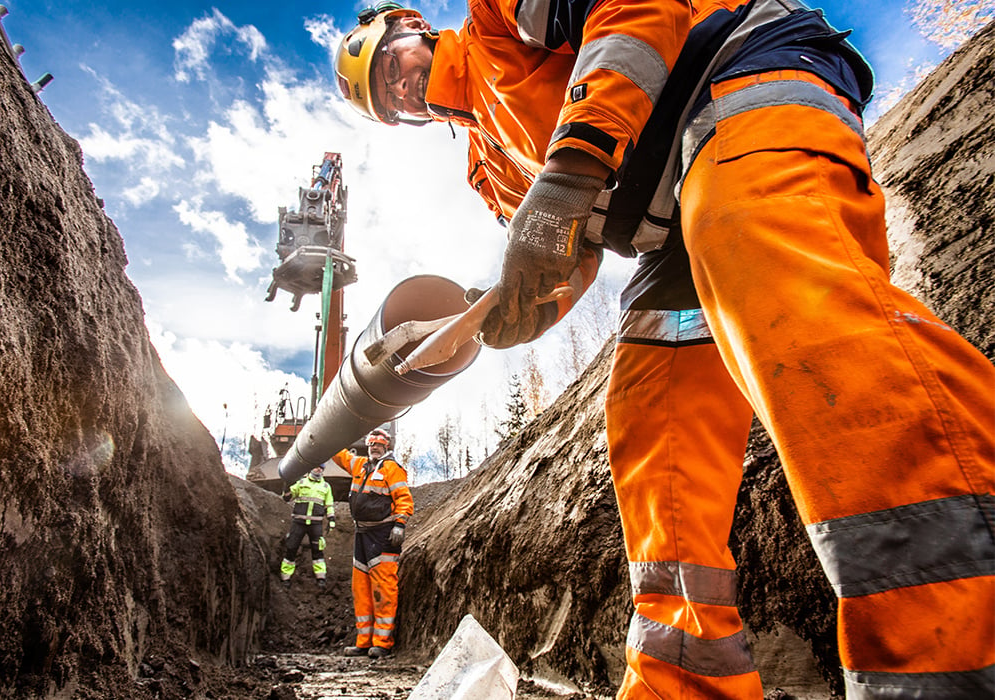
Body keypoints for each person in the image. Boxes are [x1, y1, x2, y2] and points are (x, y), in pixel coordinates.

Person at [335, 1, 995, 697]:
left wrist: (573, 162)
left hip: (741, 75)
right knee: (653, 426)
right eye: (389, 99)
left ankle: (949, 654)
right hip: (672, 218)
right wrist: (524, 309)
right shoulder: (486, 165)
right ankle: (680, 682)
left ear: (410, 26)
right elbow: (569, 249)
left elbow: (635, 8)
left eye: (390, 64)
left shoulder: (494, 21)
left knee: (780, 285)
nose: (402, 88)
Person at [331, 428, 413, 659]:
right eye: (371, 444)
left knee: (383, 588)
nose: (374, 447)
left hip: (383, 535)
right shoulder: (361, 466)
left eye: (379, 444)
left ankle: (382, 642)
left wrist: (400, 524)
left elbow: (404, 499)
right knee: (361, 589)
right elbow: (340, 456)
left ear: (386, 447)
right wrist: (332, 433)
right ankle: (363, 641)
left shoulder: (392, 470)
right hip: (362, 535)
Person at [280, 465, 336, 589]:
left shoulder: (326, 487)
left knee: (318, 550)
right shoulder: (301, 482)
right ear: (311, 468)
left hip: (316, 524)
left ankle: (321, 578)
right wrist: (287, 486)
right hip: (298, 523)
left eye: (321, 468)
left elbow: (329, 504)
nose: (318, 470)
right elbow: (287, 497)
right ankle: (285, 578)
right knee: (291, 548)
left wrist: (331, 519)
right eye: (316, 467)